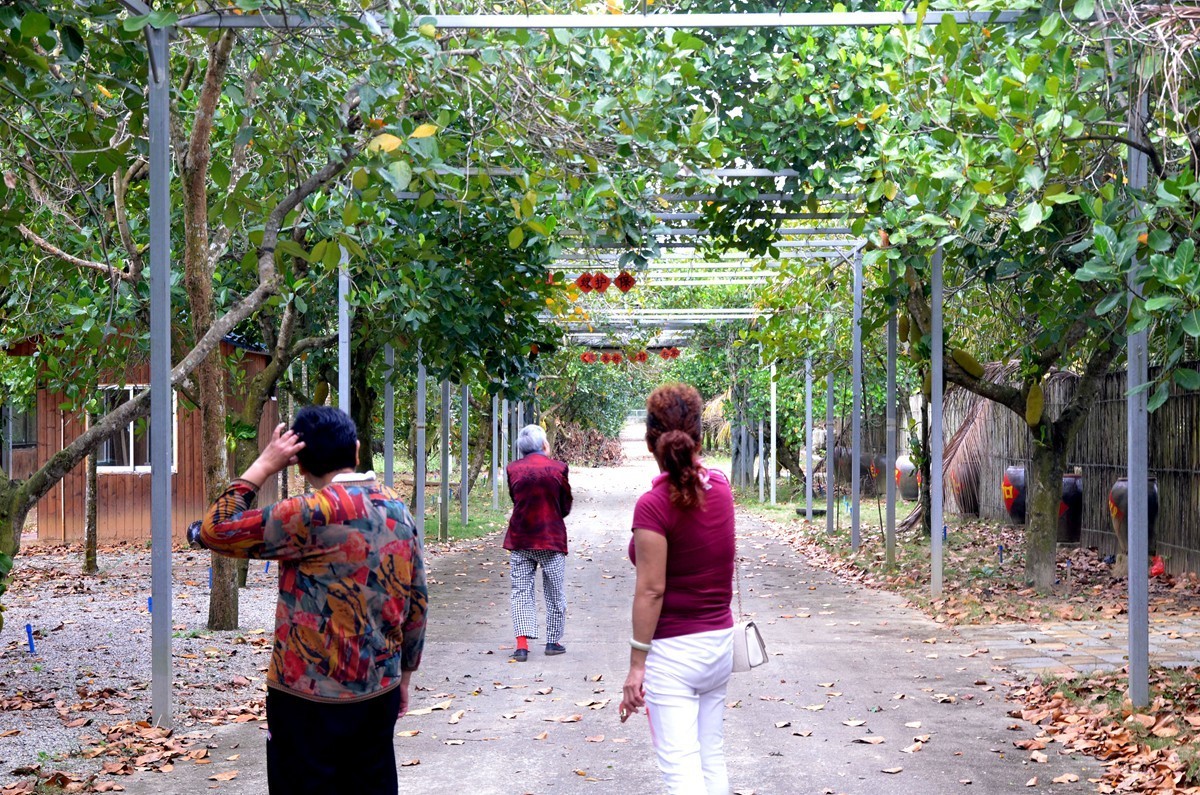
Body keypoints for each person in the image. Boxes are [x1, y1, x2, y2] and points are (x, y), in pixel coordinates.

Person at [191, 406, 426, 795]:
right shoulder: (397, 509)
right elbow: (417, 601)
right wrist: (405, 676)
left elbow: (216, 529)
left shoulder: (306, 514)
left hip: (305, 698)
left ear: (298, 466)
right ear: (356, 450)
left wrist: (264, 464)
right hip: (377, 688)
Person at [619, 383, 736, 795]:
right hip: (720, 645)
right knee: (711, 756)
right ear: (699, 436)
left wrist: (637, 667)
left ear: (652, 440)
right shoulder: (721, 489)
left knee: (681, 771)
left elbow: (651, 590)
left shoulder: (652, 507)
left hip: (674, 655)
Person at [503, 423, 573, 662]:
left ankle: (521, 646)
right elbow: (565, 504)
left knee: (521, 592)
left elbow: (515, 498)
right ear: (544, 444)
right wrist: (552, 515)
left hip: (520, 538)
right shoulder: (559, 468)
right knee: (554, 592)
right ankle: (553, 642)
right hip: (551, 539)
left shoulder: (512, 469)